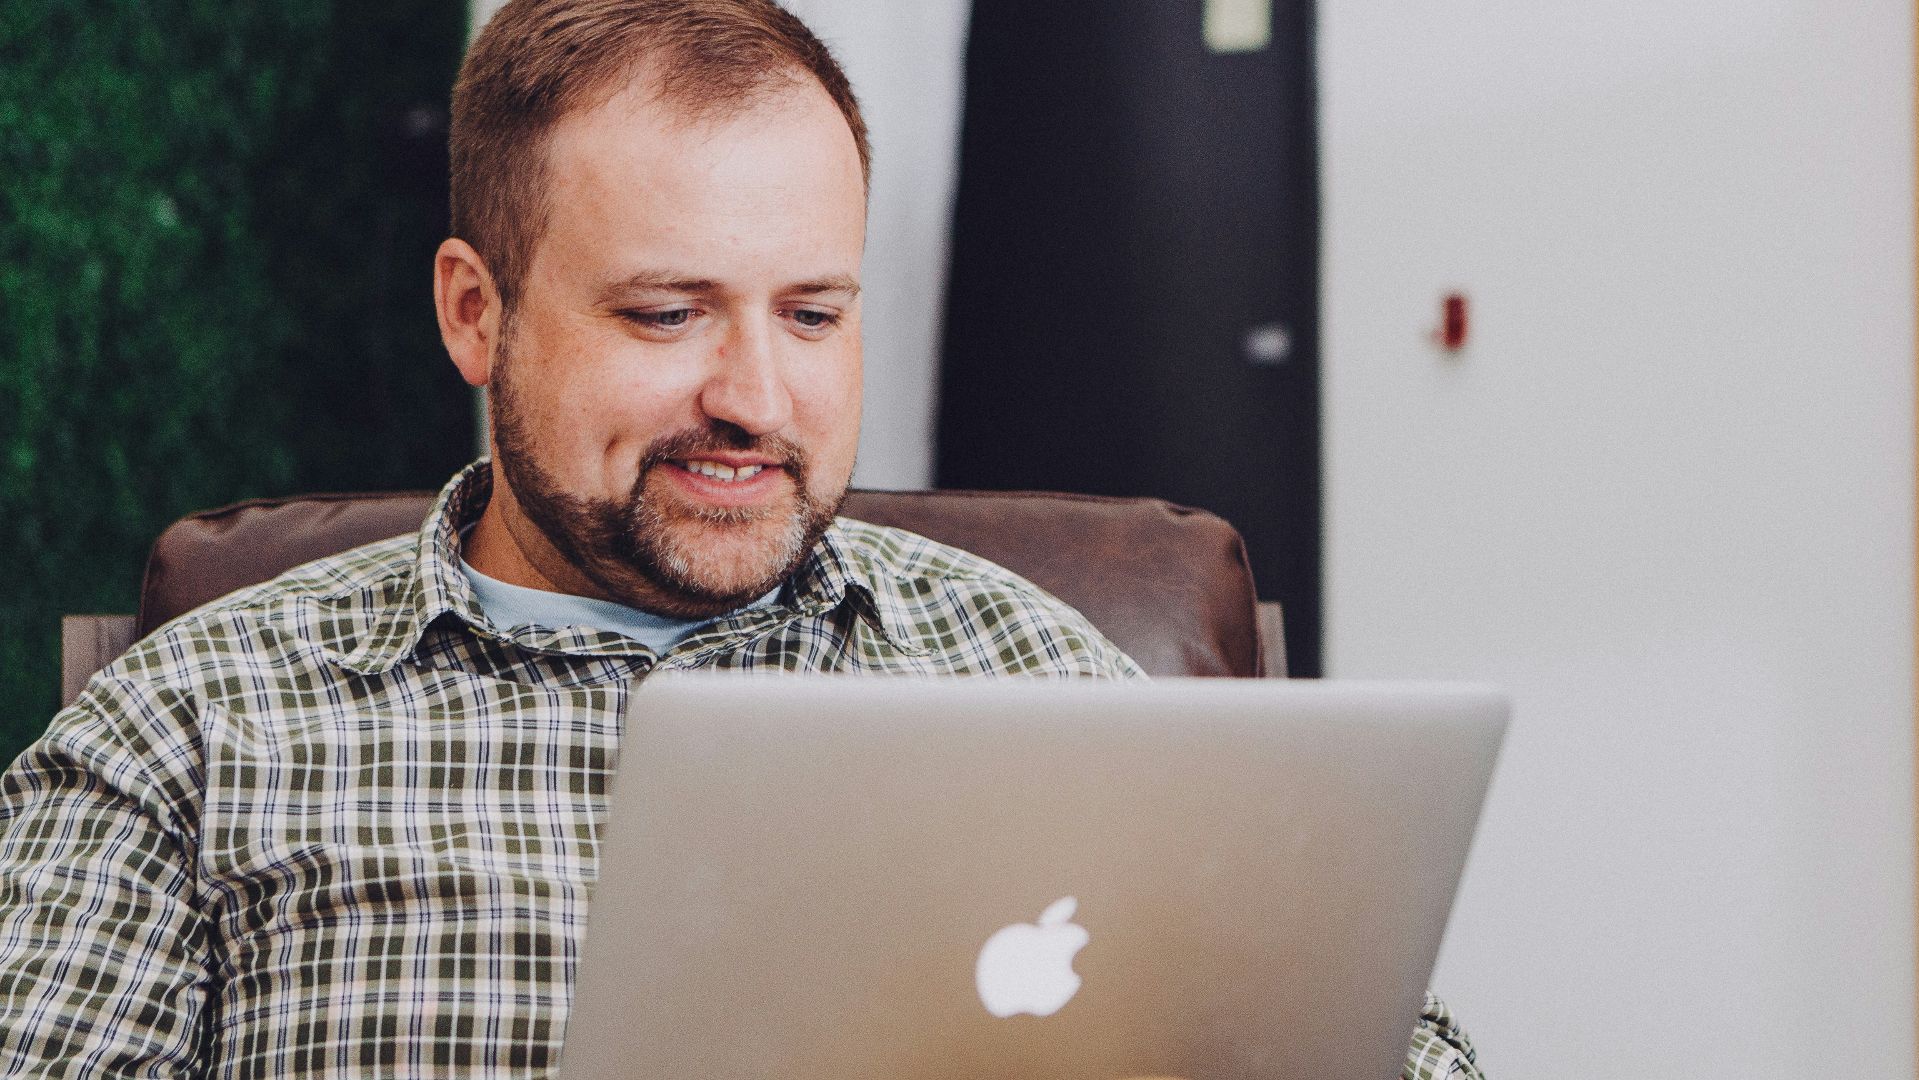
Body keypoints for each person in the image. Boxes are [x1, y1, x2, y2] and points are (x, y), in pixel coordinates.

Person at [0, 1, 1484, 1076]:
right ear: (476, 312)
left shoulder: (1029, 666)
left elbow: (1403, 1053)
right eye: (666, 313)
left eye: (813, 314)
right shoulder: (198, 724)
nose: (755, 400)